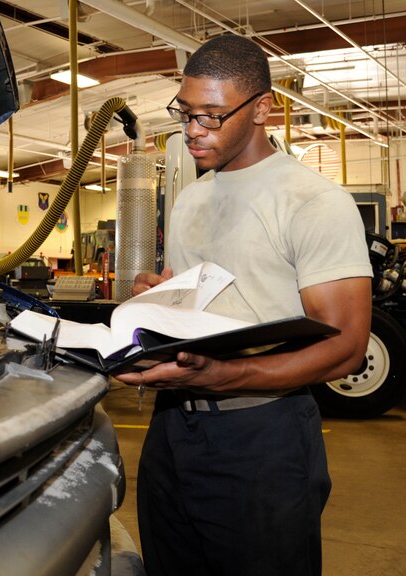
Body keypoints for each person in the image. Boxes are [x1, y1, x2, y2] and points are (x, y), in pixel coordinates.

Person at [114, 34, 372, 576]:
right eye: (185, 113)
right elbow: (211, 302)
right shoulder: (191, 199)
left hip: (263, 438)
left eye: (211, 116)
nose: (192, 131)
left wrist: (226, 376)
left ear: (262, 109)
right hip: (174, 432)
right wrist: (161, 298)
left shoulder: (313, 201)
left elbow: (347, 347)